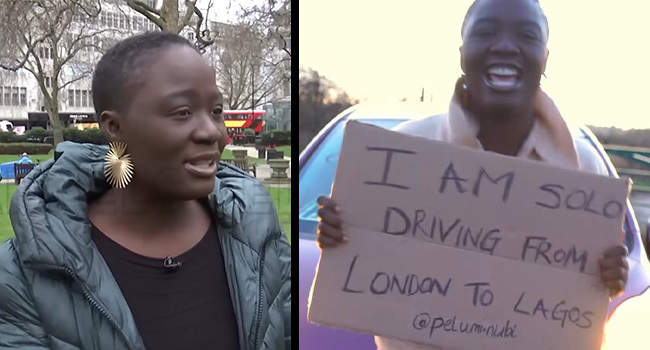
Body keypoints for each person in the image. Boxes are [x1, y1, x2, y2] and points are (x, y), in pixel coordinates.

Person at [315, 0, 628, 349]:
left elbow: (592, 291)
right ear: (463, 52)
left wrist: (608, 279)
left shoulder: (585, 171)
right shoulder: (398, 154)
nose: (506, 46)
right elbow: (361, 258)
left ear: (545, 57)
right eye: (486, 32)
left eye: (526, 35)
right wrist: (340, 234)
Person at [0, 31, 291, 350]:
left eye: (217, 111)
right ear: (114, 127)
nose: (212, 132)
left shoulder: (258, 233)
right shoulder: (23, 275)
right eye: (182, 112)